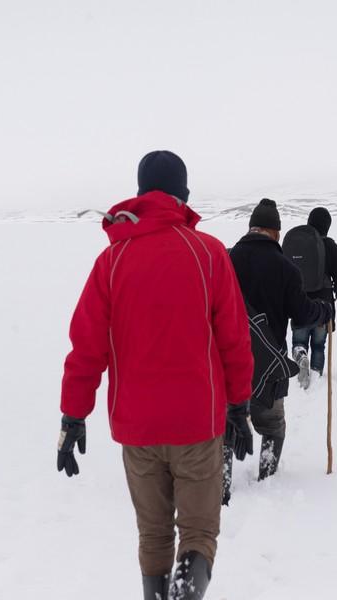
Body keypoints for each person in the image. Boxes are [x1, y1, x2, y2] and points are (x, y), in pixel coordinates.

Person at [57, 150, 255, 600]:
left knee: (153, 537)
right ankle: (187, 589)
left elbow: (86, 347)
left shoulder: (112, 262)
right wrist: (239, 405)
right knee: (199, 533)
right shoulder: (208, 254)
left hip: (137, 430)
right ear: (182, 194)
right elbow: (234, 339)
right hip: (196, 426)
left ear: (142, 193)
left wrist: (73, 417)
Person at [226, 198, 333, 484]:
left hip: (225, 366)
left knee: (225, 426)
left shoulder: (225, 260)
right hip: (268, 369)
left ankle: (221, 483)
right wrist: (324, 309)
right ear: (275, 232)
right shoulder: (286, 268)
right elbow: (302, 313)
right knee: (273, 427)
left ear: (251, 228)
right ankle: (266, 479)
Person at [291, 207, 337, 387]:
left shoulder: (298, 244)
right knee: (318, 344)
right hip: (323, 306)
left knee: (299, 340)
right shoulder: (331, 247)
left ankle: (300, 358)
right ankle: (315, 376)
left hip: (299, 302)